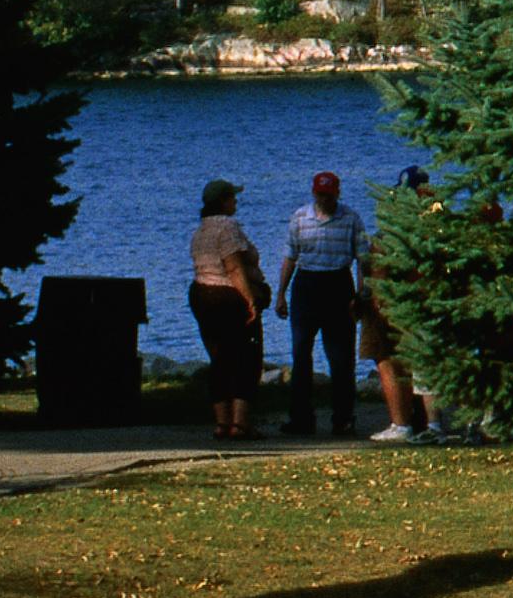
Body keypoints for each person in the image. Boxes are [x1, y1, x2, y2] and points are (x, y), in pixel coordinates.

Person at [280, 167, 370, 436]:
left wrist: (360, 294)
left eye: (329, 195)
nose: (325, 200)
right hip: (306, 285)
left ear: (337, 194)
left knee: (341, 359)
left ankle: (343, 419)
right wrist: (281, 294)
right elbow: (290, 257)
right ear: (314, 193)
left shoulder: (351, 218)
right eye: (320, 195)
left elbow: (363, 260)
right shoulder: (300, 217)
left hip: (338, 285)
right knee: (301, 354)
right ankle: (301, 419)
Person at [185, 179, 266, 441]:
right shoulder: (228, 227)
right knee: (247, 357)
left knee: (220, 358)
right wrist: (249, 299)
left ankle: (221, 422)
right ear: (223, 201)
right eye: (232, 197)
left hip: (202, 293)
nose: (236, 201)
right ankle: (240, 423)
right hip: (228, 296)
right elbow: (233, 266)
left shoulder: (200, 231)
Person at [363, 165, 435, 443]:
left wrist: (379, 302)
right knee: (407, 364)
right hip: (414, 301)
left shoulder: (398, 230)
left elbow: (378, 264)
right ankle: (423, 423)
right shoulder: (435, 221)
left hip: (403, 303)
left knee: (393, 362)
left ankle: (406, 423)